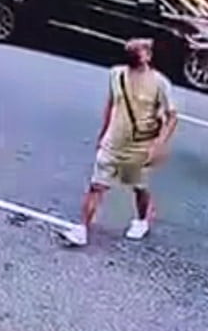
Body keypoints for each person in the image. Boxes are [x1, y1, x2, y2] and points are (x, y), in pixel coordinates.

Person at [59, 38, 177, 247]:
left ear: (147, 56)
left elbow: (172, 116)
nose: (133, 54)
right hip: (113, 143)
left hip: (139, 146)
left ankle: (142, 220)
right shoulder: (116, 74)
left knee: (138, 187)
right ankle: (82, 229)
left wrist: (159, 144)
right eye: (131, 50)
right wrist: (102, 134)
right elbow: (111, 104)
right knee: (96, 186)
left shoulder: (160, 83)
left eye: (138, 51)